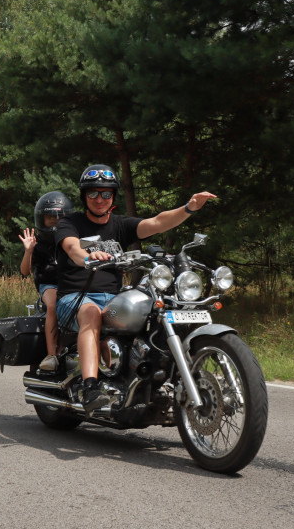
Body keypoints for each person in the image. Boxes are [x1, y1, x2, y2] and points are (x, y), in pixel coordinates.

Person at [55, 164, 217, 414]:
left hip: (111, 300)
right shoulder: (70, 223)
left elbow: (157, 222)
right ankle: (90, 388)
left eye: (106, 194)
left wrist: (189, 208)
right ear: (84, 196)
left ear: (113, 198)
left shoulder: (121, 225)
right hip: (75, 299)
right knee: (90, 313)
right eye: (94, 194)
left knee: (152, 309)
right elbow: (71, 248)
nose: (100, 199)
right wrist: (87, 256)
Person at [19, 191, 73, 372]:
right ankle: (51, 355)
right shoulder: (38, 244)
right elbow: (24, 271)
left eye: (60, 217)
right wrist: (28, 251)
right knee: (53, 305)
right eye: (51, 218)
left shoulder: (72, 240)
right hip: (49, 285)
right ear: (42, 220)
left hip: (72, 283)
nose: (55, 221)